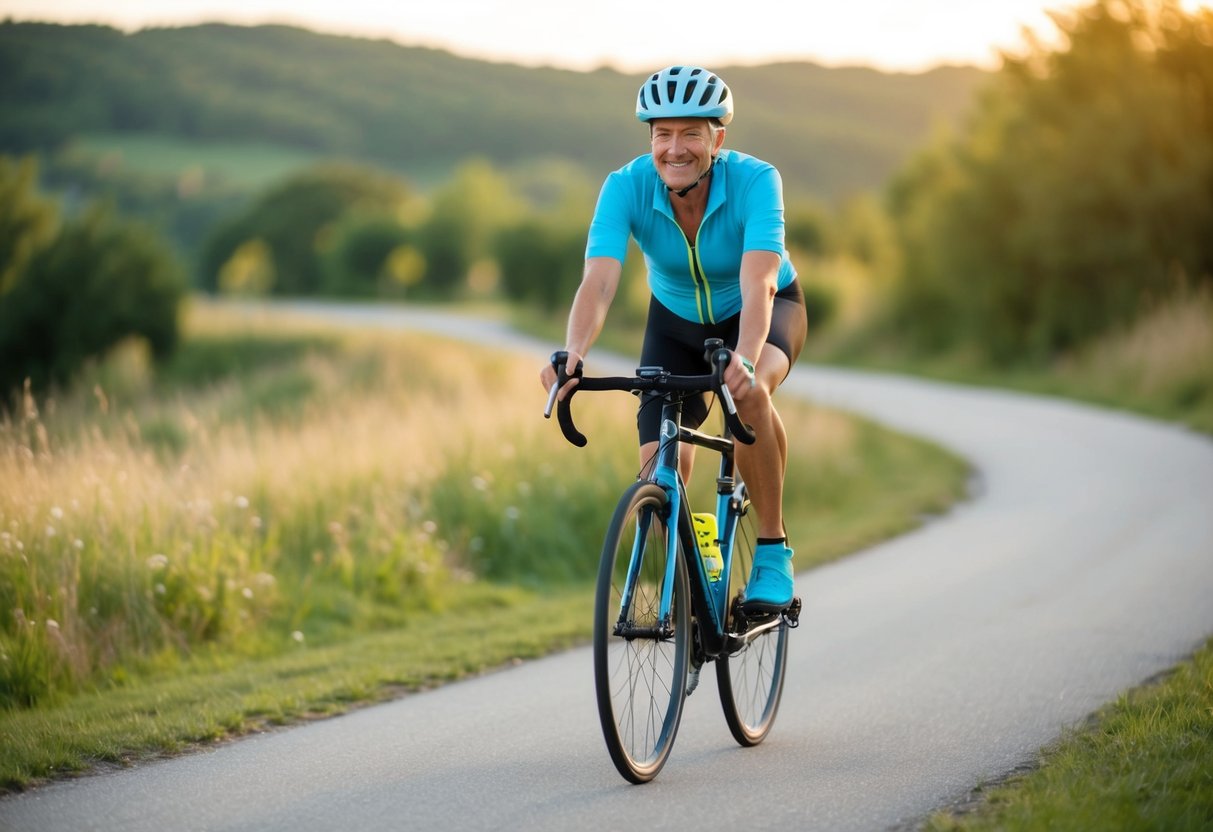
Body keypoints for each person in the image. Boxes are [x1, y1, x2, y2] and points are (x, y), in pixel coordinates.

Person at [540, 65, 808, 611]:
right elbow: (600, 279)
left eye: (691, 132)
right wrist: (575, 355)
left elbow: (758, 279)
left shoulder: (757, 181)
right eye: (662, 133)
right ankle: (700, 545)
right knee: (659, 474)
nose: (675, 147)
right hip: (675, 323)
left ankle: (773, 550)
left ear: (718, 139)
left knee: (750, 395)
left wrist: (747, 358)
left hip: (764, 311)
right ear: (650, 139)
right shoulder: (625, 187)